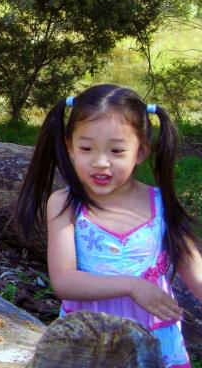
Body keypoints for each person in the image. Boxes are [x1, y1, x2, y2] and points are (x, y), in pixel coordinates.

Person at [14, 84, 202, 367]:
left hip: (157, 340)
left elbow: (193, 267)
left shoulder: (161, 204)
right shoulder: (65, 204)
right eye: (86, 148)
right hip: (90, 342)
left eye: (116, 150)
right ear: (70, 148)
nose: (100, 162)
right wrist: (132, 286)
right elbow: (64, 281)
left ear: (140, 152)